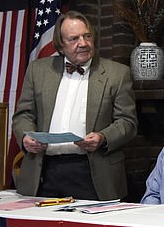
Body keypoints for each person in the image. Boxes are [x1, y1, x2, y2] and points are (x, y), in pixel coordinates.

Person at [12, 10, 138, 201]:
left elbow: (128, 122)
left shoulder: (117, 74)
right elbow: (23, 115)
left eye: (87, 36)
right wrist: (25, 138)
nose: (83, 43)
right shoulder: (37, 70)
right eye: (74, 39)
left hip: (93, 171)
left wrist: (103, 137)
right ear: (61, 46)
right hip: (44, 171)